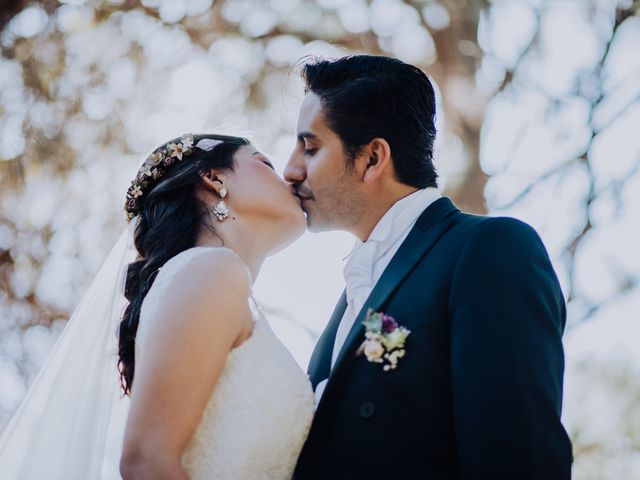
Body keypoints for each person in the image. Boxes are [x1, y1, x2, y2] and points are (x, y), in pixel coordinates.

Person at [285, 55, 573, 480]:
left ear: (372, 158)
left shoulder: (488, 250)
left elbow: (519, 458)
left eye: (310, 148)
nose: (290, 170)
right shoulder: (354, 288)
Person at [0, 133, 315, 480]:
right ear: (214, 178)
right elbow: (145, 462)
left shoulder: (204, 281)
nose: (289, 176)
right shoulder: (212, 271)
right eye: (264, 163)